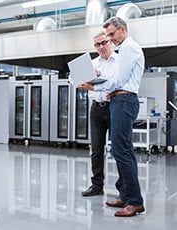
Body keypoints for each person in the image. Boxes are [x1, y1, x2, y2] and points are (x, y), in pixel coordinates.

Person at [78, 16, 145, 217]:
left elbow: (118, 80)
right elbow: (116, 81)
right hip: (117, 101)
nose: (110, 39)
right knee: (120, 150)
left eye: (111, 35)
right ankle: (126, 196)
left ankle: (135, 201)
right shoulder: (125, 48)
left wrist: (95, 83)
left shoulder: (129, 48)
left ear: (122, 29)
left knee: (121, 151)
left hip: (123, 101)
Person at [82, 31, 117, 197]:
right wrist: (86, 77)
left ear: (109, 41)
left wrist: (102, 78)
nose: (101, 47)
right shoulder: (92, 63)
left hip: (114, 107)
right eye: (97, 44)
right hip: (96, 108)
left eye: (104, 43)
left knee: (118, 149)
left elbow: (120, 81)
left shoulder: (119, 61)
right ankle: (97, 186)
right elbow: (73, 80)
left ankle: (123, 188)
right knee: (96, 149)